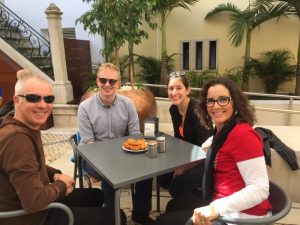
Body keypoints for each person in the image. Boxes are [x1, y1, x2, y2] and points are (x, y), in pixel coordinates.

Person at [0, 69, 126, 225]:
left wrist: (54, 175)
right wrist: (61, 185)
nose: (42, 105)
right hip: (34, 217)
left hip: (39, 202)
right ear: (16, 100)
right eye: (33, 98)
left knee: (97, 195)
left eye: (48, 99)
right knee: (118, 216)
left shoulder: (22, 126)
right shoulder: (17, 139)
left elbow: (31, 164)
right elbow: (33, 201)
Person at [155, 77, 272, 225]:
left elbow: (260, 189)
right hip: (220, 199)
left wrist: (215, 208)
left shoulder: (243, 135)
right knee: (173, 206)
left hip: (243, 216)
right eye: (210, 101)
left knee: (162, 221)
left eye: (223, 99)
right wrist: (212, 144)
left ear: (235, 102)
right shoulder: (224, 131)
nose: (216, 106)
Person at [78, 63, 154, 225]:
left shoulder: (127, 104)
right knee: (109, 174)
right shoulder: (85, 108)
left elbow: (134, 134)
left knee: (147, 169)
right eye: (103, 80)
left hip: (122, 154)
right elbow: (88, 144)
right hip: (94, 157)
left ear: (118, 83)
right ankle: (112, 216)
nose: (107, 85)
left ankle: (140, 213)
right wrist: (110, 160)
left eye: (112, 81)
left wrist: (134, 151)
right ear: (97, 81)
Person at [158, 71, 212, 198]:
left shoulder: (197, 111)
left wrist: (183, 168)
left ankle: (199, 205)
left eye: (179, 88)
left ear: (188, 90)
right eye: (171, 88)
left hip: (205, 160)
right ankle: (189, 199)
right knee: (163, 178)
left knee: (176, 185)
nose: (174, 92)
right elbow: (179, 139)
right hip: (189, 157)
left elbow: (205, 150)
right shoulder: (174, 110)